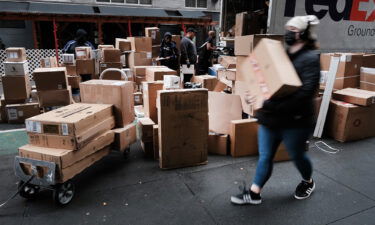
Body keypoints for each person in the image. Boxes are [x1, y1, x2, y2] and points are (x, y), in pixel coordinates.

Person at [231, 15, 321, 205]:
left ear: (303, 33)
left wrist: (268, 104)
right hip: (271, 118)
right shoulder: (282, 55)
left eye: (293, 30)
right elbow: (266, 80)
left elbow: (305, 93)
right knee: (265, 156)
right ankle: (255, 193)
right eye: (288, 28)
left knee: (297, 155)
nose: (288, 33)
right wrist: (254, 93)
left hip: (296, 120)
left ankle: (308, 181)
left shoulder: (310, 59)